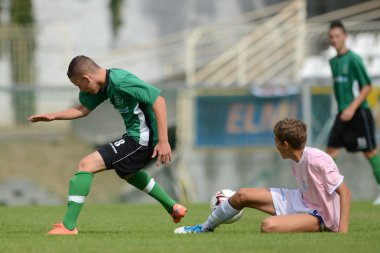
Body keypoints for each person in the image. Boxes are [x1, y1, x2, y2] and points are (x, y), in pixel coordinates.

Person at [28, 55, 187, 235]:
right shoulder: (105, 85)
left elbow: (159, 101)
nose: (81, 90)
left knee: (86, 165)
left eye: (79, 85)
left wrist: (164, 141)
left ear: (87, 78)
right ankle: (173, 207)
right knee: (128, 173)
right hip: (138, 137)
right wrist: (53, 116)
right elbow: (82, 109)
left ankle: (68, 226)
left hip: (142, 139)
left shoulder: (120, 81)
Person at [175, 118, 351, 234]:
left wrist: (342, 232)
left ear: (286, 144)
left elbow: (345, 193)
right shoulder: (295, 157)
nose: (275, 145)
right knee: (242, 195)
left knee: (268, 226)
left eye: (276, 141)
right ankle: (204, 228)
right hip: (301, 199)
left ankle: (324, 227)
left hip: (321, 215)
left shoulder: (317, 160)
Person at [326, 20, 380, 205]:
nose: (334, 40)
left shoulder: (354, 59)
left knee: (370, 152)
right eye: (331, 37)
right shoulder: (333, 61)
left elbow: (367, 86)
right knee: (329, 152)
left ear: (345, 37)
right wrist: (344, 109)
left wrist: (351, 108)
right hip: (342, 114)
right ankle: (325, 194)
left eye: (337, 36)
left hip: (359, 113)